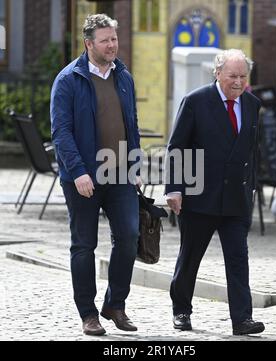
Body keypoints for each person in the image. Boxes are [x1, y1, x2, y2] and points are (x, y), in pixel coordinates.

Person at [50, 14, 141, 336]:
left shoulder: (124, 77)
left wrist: (135, 167)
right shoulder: (68, 80)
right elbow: (61, 133)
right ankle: (88, 314)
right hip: (84, 178)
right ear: (89, 44)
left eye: (114, 39)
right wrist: (78, 173)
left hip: (120, 176)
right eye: (105, 40)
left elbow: (132, 125)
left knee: (130, 237)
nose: (112, 45)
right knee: (84, 245)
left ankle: (115, 304)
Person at [165, 49, 265, 336]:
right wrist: (174, 189)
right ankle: (181, 310)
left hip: (236, 199)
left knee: (238, 258)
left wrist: (253, 189)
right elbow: (177, 148)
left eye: (243, 76)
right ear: (217, 73)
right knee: (190, 258)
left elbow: (251, 151)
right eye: (232, 75)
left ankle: (242, 319)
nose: (238, 82)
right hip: (200, 197)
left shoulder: (252, 103)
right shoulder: (196, 101)